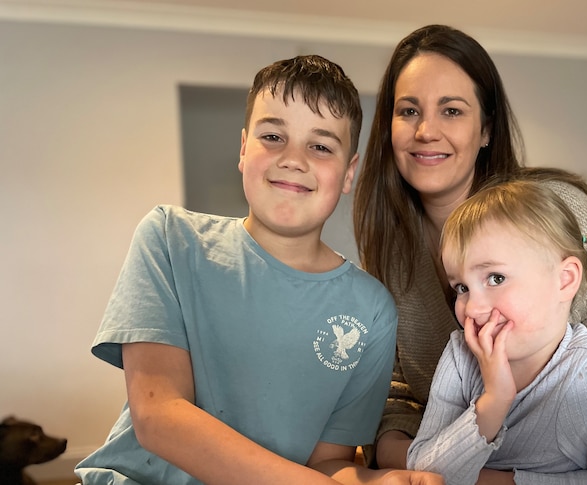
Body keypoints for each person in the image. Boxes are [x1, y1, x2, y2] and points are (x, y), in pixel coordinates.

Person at [352, 24, 587, 474]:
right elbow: (395, 387)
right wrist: (406, 456)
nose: (426, 131)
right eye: (408, 111)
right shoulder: (389, 248)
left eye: (452, 110)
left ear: (486, 130)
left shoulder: (558, 215)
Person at [75, 56, 442, 485]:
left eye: (321, 146)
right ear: (244, 148)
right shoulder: (171, 239)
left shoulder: (373, 309)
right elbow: (159, 416)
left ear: (349, 173)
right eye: (273, 136)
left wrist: (377, 481)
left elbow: (328, 463)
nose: (293, 159)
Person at [407, 180, 587, 484]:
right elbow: (422, 472)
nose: (471, 309)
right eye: (462, 287)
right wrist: (494, 401)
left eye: (496, 278)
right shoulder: (460, 354)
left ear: (564, 280)